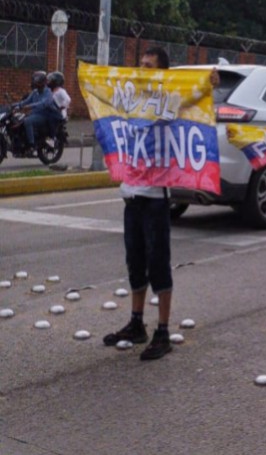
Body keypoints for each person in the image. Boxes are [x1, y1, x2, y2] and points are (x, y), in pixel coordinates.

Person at [102, 48, 177, 361]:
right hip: (131, 194)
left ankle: (162, 330)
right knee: (135, 261)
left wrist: (208, 82)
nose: (142, 70)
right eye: (140, 65)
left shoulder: (169, 100)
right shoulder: (130, 100)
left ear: (161, 72)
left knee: (157, 262)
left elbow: (194, 101)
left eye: (149, 66)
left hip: (155, 196)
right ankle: (136, 323)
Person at [24, 71, 69, 148]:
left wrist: (61, 107)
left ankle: (52, 138)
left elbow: (67, 100)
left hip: (58, 113)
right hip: (51, 111)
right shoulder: (50, 91)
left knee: (50, 120)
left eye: (51, 80)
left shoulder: (61, 91)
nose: (48, 82)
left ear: (56, 81)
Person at [16, 71, 52, 150]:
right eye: (35, 82)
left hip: (43, 115)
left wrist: (29, 106)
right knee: (18, 119)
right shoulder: (35, 92)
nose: (36, 84)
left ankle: (31, 145)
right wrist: (15, 105)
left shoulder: (48, 92)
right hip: (34, 114)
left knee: (27, 121)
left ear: (43, 82)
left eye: (38, 82)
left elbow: (43, 103)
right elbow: (26, 101)